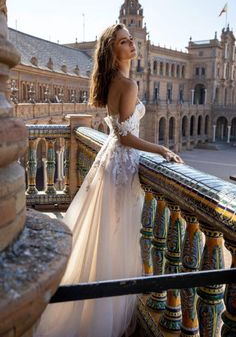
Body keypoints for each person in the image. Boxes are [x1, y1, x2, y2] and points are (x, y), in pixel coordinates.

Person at [35, 23, 183, 337]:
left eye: (132, 39)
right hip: (123, 162)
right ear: (113, 50)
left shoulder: (112, 80)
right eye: (124, 41)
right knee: (115, 238)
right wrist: (160, 148)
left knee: (105, 236)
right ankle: (101, 316)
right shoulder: (128, 85)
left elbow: (118, 132)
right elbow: (126, 135)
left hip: (111, 161)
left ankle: (89, 305)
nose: (132, 45)